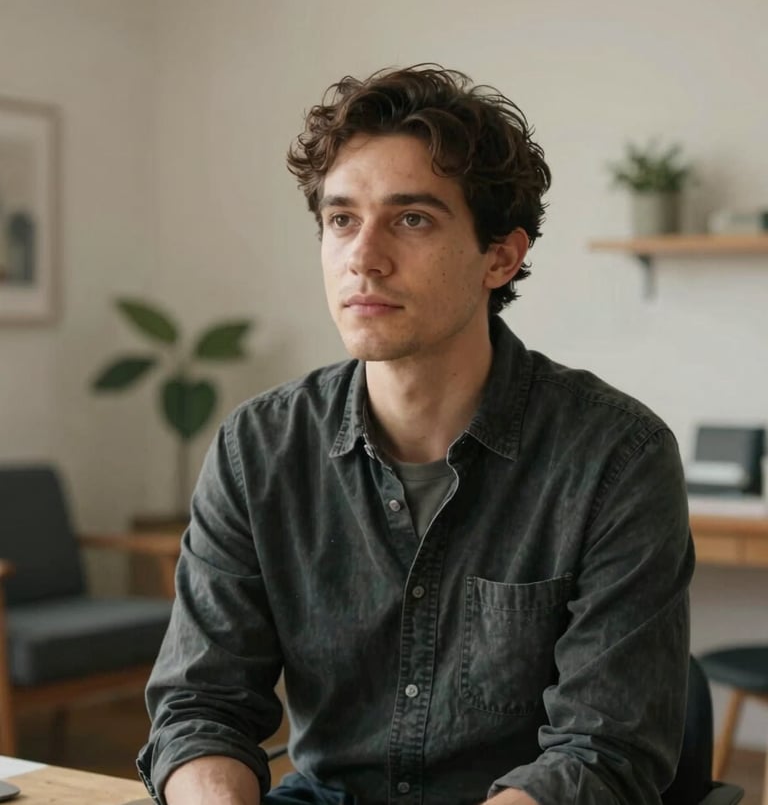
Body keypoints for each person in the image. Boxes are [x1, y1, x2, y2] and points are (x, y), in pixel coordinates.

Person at [138, 65, 693, 805]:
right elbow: (200, 706)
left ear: (501, 256)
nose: (362, 256)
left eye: (412, 219)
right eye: (341, 219)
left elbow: (603, 748)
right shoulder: (259, 448)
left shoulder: (616, 457)